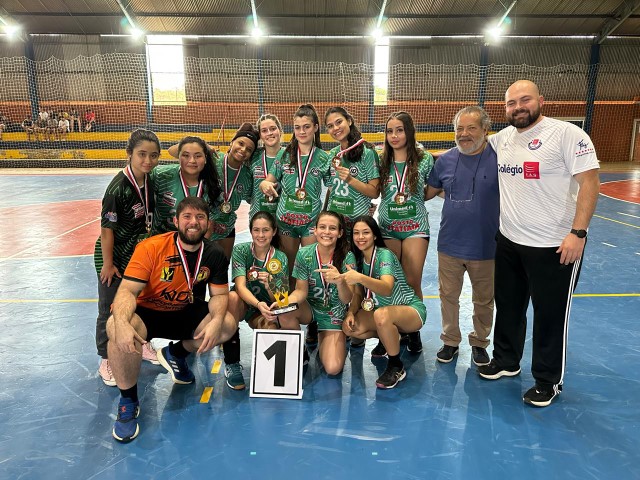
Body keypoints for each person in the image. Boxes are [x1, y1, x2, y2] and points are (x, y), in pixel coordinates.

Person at [478, 80, 600, 407]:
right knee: (509, 306)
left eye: (525, 100)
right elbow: (466, 148)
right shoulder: (501, 139)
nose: (518, 107)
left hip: (555, 245)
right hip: (509, 241)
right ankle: (506, 360)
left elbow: (590, 182)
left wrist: (579, 233)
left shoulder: (567, 135)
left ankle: (548, 380)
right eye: (511, 103)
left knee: (550, 315)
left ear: (540, 101)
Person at [106, 196, 236, 443]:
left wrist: (217, 320)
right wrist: (122, 323)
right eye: (187, 216)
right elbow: (126, 292)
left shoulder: (214, 253)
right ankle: (128, 401)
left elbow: (219, 295)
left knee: (227, 324)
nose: (193, 222)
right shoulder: (151, 247)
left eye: (200, 217)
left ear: (208, 223)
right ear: (176, 221)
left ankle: (175, 353)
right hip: (149, 312)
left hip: (185, 310)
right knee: (116, 327)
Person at [425, 106, 499, 366]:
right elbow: (428, 192)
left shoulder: (500, 158)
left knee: (483, 299)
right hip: (450, 243)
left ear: (485, 130)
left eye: (471, 128)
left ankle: (480, 343)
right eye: (459, 128)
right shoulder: (444, 160)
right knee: (448, 296)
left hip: (486, 246)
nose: (464, 134)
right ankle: (450, 341)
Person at [94, 129, 162, 386]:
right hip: (114, 258)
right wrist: (109, 264)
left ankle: (141, 343)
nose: (148, 160)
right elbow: (107, 230)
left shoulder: (150, 179)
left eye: (153, 156)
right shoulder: (117, 188)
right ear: (129, 154)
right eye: (142, 154)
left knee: (142, 304)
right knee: (109, 309)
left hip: (139, 257)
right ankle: (105, 358)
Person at [373, 111, 435, 356]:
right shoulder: (381, 160)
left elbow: (431, 189)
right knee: (387, 282)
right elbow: (375, 189)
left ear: (409, 132)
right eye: (390, 131)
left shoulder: (425, 159)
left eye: (399, 130)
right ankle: (387, 331)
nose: (394, 135)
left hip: (415, 228)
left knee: (411, 280)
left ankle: (413, 331)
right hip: (387, 227)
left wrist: (416, 199)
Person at [343, 216, 427, 389]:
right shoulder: (352, 258)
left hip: (409, 308)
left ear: (374, 235)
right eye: (356, 233)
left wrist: (360, 277)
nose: (360, 237)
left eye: (366, 232)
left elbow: (387, 288)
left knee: (381, 315)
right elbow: (358, 294)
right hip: (382, 311)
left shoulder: (384, 254)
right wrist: (351, 312)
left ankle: (396, 365)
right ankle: (389, 336)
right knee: (349, 328)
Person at [278, 211, 356, 375]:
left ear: (340, 233)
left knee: (333, 369)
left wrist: (340, 282)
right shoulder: (304, 253)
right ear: (314, 230)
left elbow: (347, 298)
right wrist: (283, 304)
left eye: (332, 228)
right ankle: (301, 350)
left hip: (334, 311)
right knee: (285, 313)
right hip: (310, 309)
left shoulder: (347, 257)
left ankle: (326, 335)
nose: (326, 232)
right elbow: (300, 291)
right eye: (322, 227)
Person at [259, 104, 331, 281]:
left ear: (315, 127)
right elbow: (268, 180)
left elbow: (332, 187)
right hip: (285, 222)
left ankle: (308, 305)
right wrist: (265, 185)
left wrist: (325, 214)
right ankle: (289, 305)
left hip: (311, 223)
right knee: (287, 269)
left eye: (306, 127)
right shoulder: (284, 154)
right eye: (297, 127)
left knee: (311, 268)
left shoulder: (323, 157)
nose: (302, 131)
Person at [208, 122, 258, 258]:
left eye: (249, 149)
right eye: (240, 144)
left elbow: (253, 198)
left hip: (227, 229)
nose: (243, 150)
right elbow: (175, 151)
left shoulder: (247, 175)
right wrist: (201, 145)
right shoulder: (212, 161)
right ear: (232, 142)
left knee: (222, 269)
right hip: (205, 225)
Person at [154, 136, 221, 235]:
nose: (192, 161)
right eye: (186, 155)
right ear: (178, 157)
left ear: (205, 159)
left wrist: (199, 249)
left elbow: (209, 225)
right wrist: (203, 145)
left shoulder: (213, 184)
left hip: (195, 242)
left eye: (198, 156)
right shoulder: (162, 176)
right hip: (162, 241)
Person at [248, 114, 286, 221]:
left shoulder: (290, 156)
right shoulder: (253, 156)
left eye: (273, 129)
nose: (269, 133)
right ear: (260, 135)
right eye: (264, 130)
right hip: (258, 217)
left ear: (280, 130)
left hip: (284, 219)